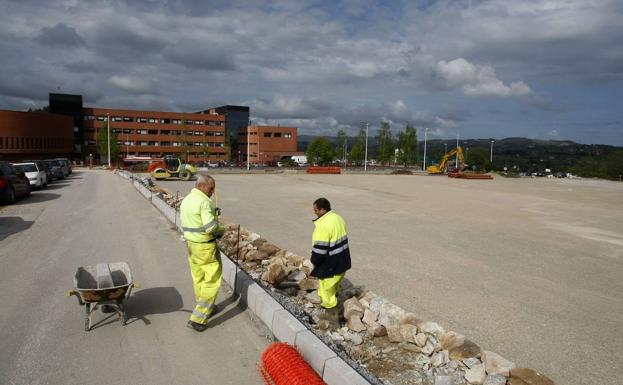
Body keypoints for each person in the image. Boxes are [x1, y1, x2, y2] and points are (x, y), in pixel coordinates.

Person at [180, 174, 224, 332]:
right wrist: (221, 229)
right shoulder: (204, 202)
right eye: (211, 188)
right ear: (201, 186)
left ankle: (206, 306)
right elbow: (211, 227)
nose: (212, 192)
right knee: (212, 280)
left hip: (191, 245)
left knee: (198, 278)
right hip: (205, 247)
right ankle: (198, 319)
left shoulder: (187, 200)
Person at [310, 197, 351, 328]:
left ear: (323, 210)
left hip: (330, 265)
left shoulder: (323, 225)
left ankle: (333, 321)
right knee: (333, 288)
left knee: (326, 291)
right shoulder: (338, 218)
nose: (314, 212)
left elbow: (320, 250)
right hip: (342, 262)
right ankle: (336, 311)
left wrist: (314, 261)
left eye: (316, 210)